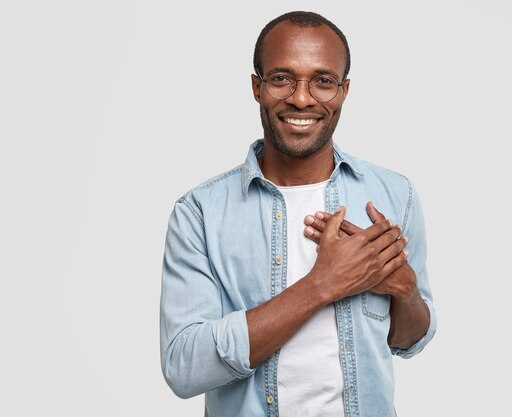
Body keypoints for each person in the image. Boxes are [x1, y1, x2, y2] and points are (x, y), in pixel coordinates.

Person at [160, 11, 437, 417]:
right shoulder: (200, 213)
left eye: (323, 81)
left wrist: (405, 291)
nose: (302, 98)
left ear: (344, 91)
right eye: (281, 78)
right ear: (257, 87)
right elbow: (183, 367)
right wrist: (323, 284)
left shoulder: (395, 195)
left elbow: (410, 340)